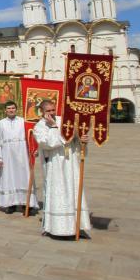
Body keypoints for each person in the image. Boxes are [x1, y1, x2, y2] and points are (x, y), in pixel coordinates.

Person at [34, 99, 91, 238]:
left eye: (53, 110)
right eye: (48, 111)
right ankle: (57, 227)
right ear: (42, 111)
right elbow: (49, 143)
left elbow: (75, 138)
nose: (51, 113)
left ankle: (78, 226)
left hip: (70, 162)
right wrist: (54, 127)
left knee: (74, 190)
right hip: (55, 165)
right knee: (58, 192)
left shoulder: (64, 120)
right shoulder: (39, 127)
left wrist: (82, 139)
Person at [0, 101, 38, 213]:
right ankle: (10, 204)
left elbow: (31, 135)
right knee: (9, 178)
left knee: (24, 177)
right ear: (5, 110)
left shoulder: (23, 121)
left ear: (16, 109)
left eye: (13, 108)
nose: (11, 110)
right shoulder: (1, 123)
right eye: (8, 108)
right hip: (7, 155)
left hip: (22, 154)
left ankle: (27, 204)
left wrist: (34, 149)